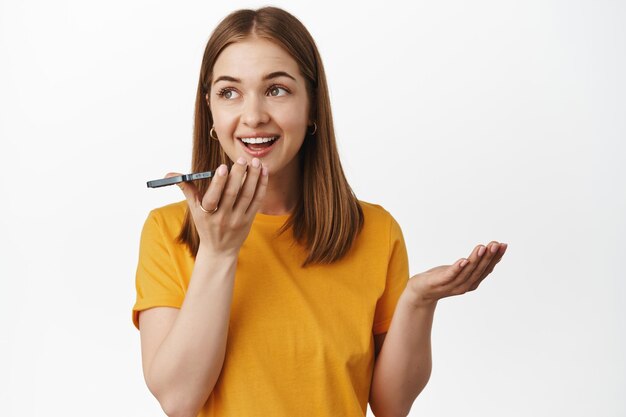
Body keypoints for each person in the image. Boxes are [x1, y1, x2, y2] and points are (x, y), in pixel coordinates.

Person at [132, 6, 507, 417]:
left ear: (312, 105)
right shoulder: (168, 231)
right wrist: (219, 253)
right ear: (210, 110)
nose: (253, 115)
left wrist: (417, 301)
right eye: (229, 92)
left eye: (276, 89)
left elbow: (390, 405)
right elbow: (178, 399)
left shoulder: (376, 232)